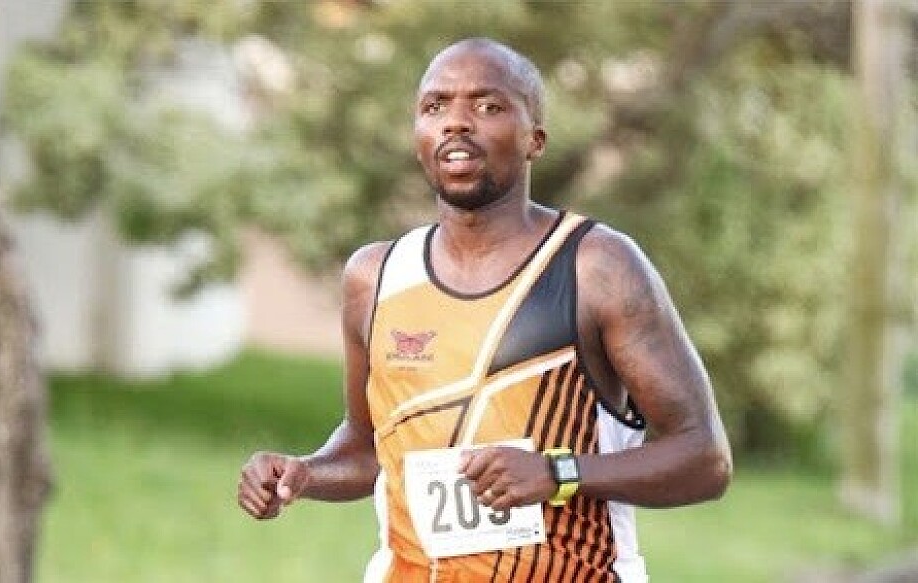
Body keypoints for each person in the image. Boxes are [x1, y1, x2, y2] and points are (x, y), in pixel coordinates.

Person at [237, 37, 732, 582]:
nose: (456, 122)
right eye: (435, 106)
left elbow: (704, 459)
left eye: (488, 106)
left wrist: (558, 474)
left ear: (534, 139)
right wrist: (304, 474)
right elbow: (367, 447)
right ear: (418, 136)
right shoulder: (374, 277)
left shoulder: (595, 266)